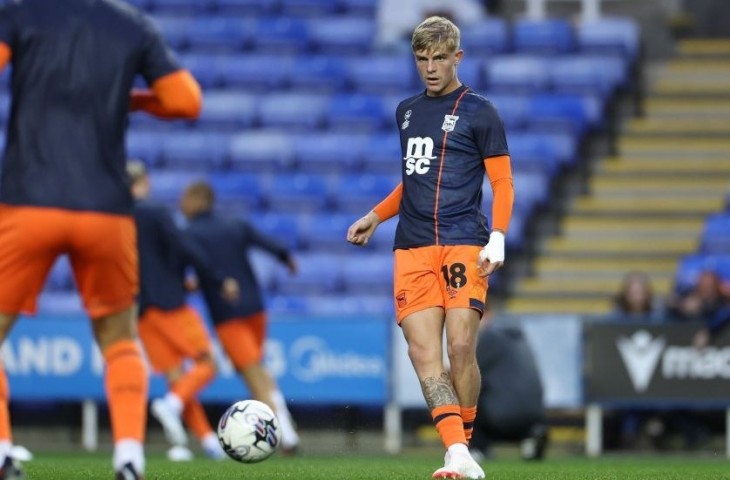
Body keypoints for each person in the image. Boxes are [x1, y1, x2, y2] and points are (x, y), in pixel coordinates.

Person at [0, 1, 201, 478]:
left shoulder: (21, 14)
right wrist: (136, 100)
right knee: (119, 340)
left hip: (28, 202)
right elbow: (186, 100)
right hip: (106, 211)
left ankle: (3, 450)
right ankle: (129, 455)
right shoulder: (133, 25)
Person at [347, 16, 514, 479]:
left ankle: (463, 449)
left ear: (457, 57)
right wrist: (376, 216)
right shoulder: (406, 111)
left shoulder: (482, 111)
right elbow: (412, 182)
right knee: (424, 354)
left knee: (460, 346)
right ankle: (459, 455)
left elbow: (502, 182)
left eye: (439, 57)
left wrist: (498, 235)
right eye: (422, 58)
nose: (430, 67)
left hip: (465, 242)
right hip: (413, 247)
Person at [179, 181, 301, 453]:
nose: (181, 204)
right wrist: (287, 259)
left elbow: (190, 267)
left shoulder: (189, 234)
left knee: (252, 372)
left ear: (199, 199)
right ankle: (281, 426)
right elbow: (270, 244)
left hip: (227, 314)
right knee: (255, 368)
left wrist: (187, 284)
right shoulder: (235, 225)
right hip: (255, 309)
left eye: (185, 198)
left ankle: (285, 434)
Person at [127, 161, 238, 461]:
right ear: (144, 182)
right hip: (169, 305)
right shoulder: (153, 211)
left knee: (178, 378)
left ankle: (208, 442)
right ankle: (172, 404)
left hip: (141, 310)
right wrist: (216, 280)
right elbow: (182, 246)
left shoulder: (118, 216)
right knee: (208, 363)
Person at [470, 319, 548, 461]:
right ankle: (530, 437)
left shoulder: (489, 338)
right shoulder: (519, 339)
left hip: (501, 416)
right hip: (535, 415)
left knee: (466, 391)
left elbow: (467, 371)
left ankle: (478, 448)